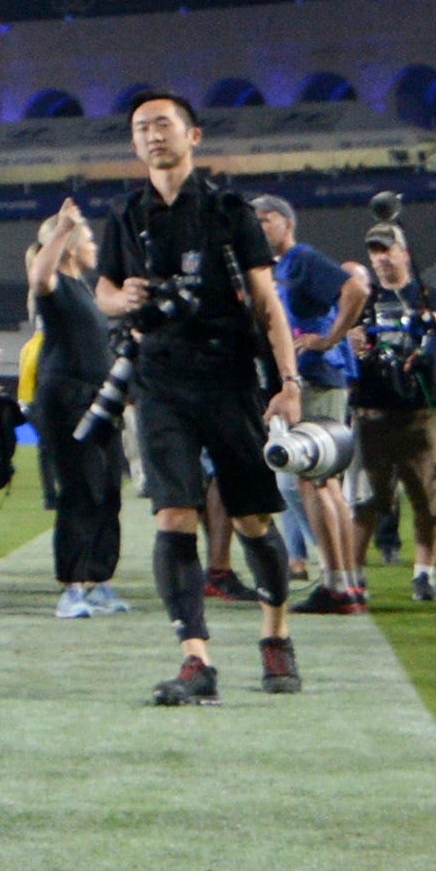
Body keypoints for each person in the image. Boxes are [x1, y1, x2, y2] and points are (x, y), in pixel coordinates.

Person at [95, 94, 308, 704]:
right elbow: (104, 288)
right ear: (134, 145)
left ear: (194, 135)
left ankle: (276, 634)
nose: (152, 135)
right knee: (173, 513)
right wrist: (122, 299)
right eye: (141, 128)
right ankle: (196, 659)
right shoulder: (125, 213)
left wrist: (288, 384)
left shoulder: (227, 210)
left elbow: (268, 303)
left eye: (163, 124)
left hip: (228, 374)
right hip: (159, 378)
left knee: (251, 517)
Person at [254, 195, 371, 613]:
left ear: (287, 223)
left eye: (264, 220)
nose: (258, 227)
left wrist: (331, 338)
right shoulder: (281, 268)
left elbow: (355, 287)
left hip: (317, 378)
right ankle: (344, 582)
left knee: (312, 481)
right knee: (323, 484)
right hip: (319, 378)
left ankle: (338, 584)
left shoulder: (300, 258)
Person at [24, 201, 126, 617]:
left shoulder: (84, 287)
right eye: (88, 239)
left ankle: (99, 579)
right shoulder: (55, 286)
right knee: (80, 491)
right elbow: (40, 276)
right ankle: (72, 585)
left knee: (108, 492)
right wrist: (64, 226)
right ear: (68, 246)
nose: (95, 246)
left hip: (99, 399)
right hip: (67, 398)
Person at [348, 223, 436, 603]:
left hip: (420, 413)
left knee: (431, 498)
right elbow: (338, 344)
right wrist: (350, 340)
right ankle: (354, 579)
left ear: (404, 253)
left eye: (387, 250)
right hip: (372, 412)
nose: (381, 258)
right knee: (364, 502)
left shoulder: (431, 297)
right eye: (375, 252)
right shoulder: (360, 299)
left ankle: (424, 574)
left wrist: (434, 354)